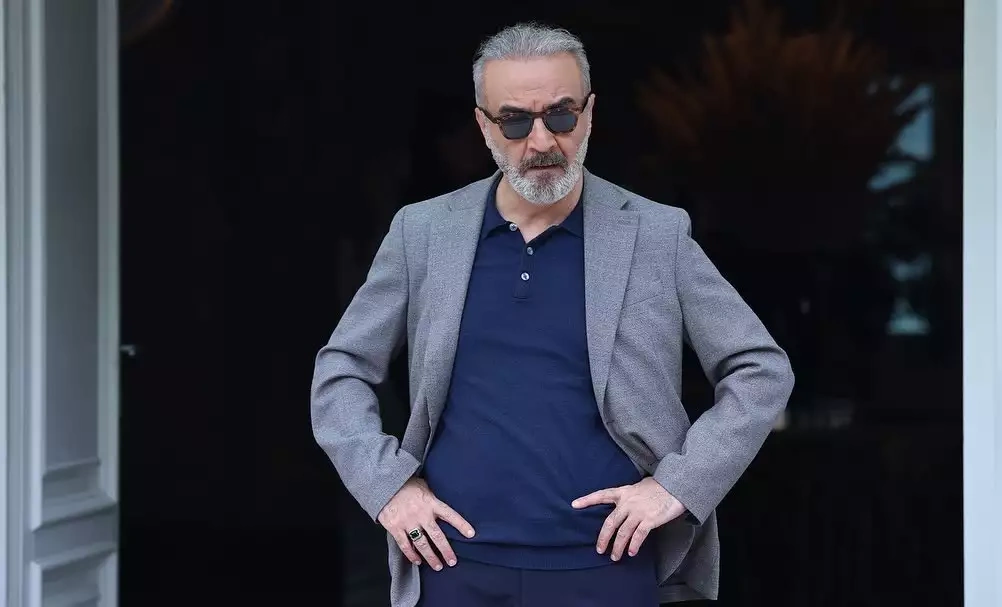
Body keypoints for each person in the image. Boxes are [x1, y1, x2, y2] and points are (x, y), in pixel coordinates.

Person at [311, 22, 795, 607]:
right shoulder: (424, 232)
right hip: (453, 570)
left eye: (561, 116)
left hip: (609, 571)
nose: (541, 141)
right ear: (483, 126)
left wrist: (678, 487)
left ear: (589, 114)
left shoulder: (656, 234)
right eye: (515, 121)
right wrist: (387, 487)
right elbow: (341, 369)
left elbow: (761, 370)